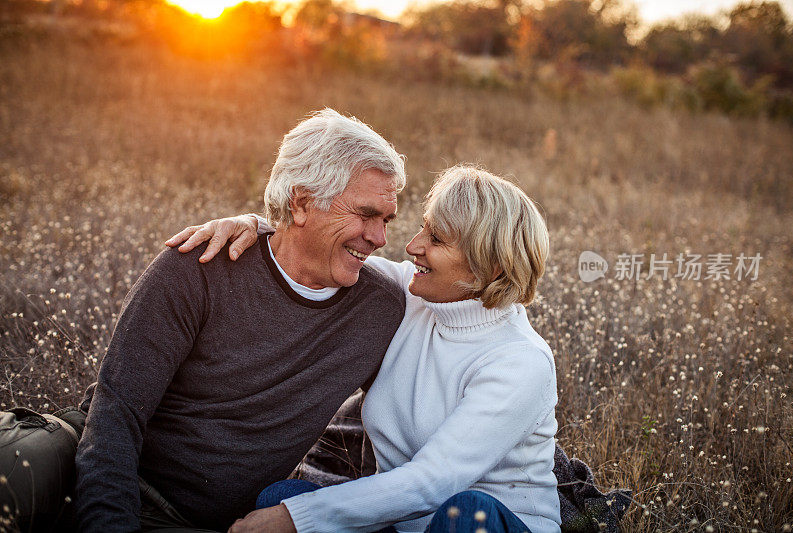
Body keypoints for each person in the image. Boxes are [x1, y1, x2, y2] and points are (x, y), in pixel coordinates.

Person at [172, 165, 561, 533]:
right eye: (424, 228)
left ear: (489, 267)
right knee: (280, 497)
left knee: (465, 512)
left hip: (487, 523)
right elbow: (316, 250)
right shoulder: (411, 295)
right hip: (399, 526)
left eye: (436, 239)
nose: (412, 246)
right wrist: (253, 225)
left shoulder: (520, 361)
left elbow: (433, 482)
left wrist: (297, 519)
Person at [73, 108, 408, 532]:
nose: (380, 238)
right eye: (365, 215)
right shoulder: (199, 267)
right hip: (111, 478)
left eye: (386, 220)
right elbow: (115, 413)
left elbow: (468, 286)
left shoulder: (381, 307)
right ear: (302, 203)